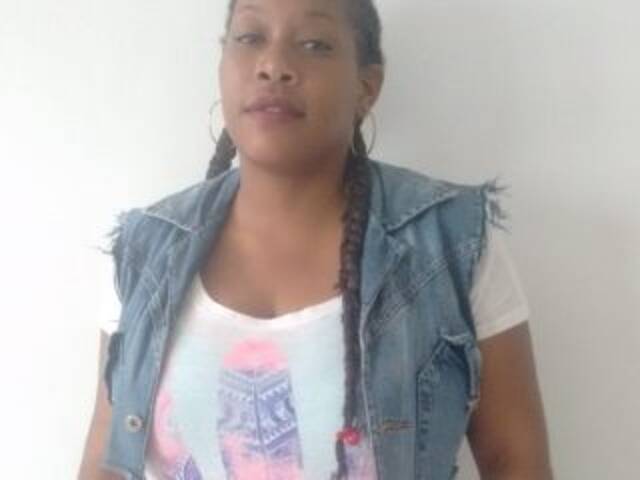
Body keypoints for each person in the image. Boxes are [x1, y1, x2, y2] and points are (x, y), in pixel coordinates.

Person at [78, 0, 554, 479]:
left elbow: (515, 461)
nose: (273, 65)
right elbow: (104, 462)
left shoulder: (451, 243)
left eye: (314, 44)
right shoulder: (143, 253)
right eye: (250, 38)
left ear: (366, 87)